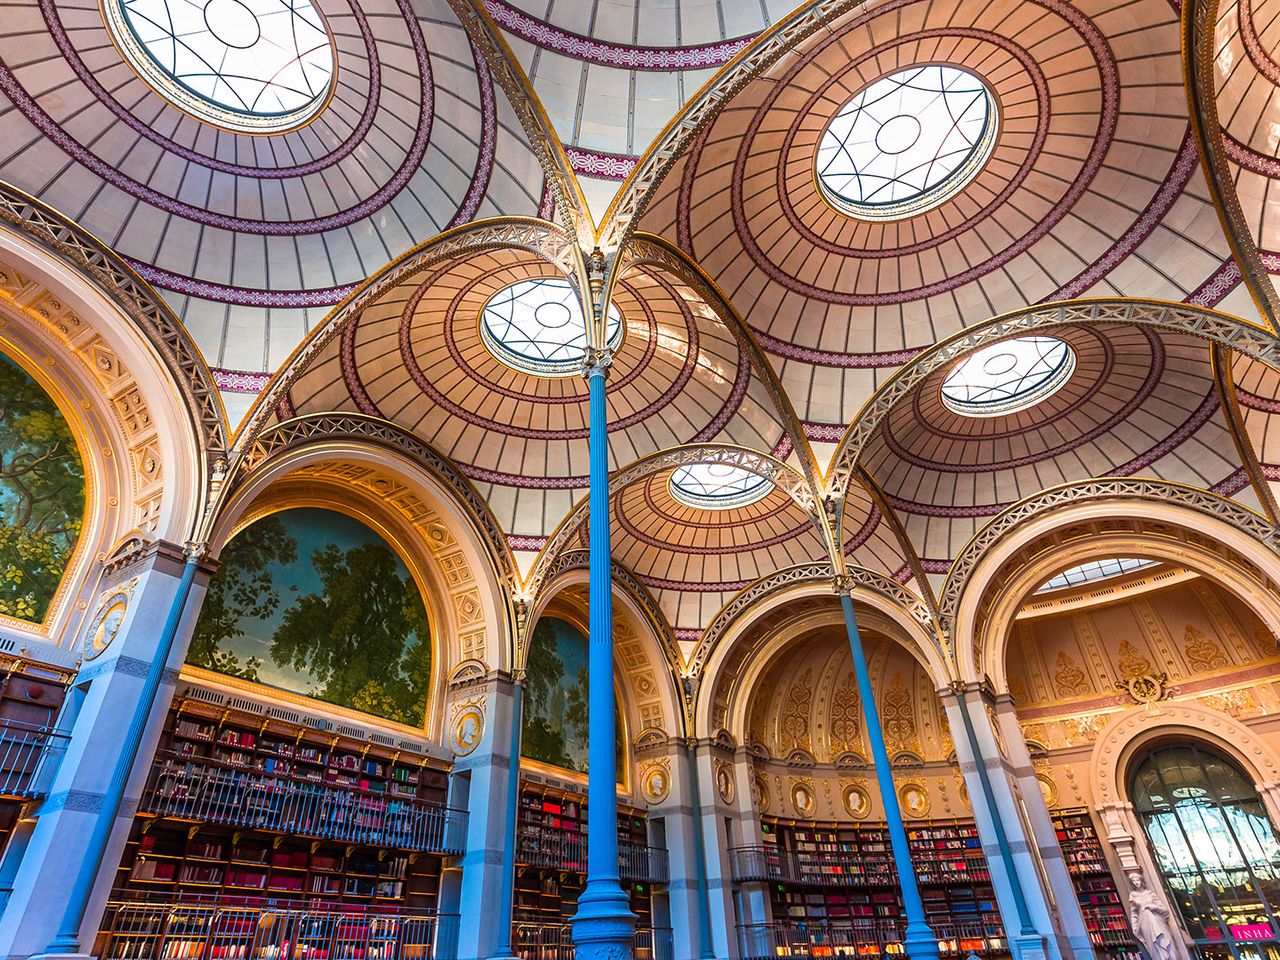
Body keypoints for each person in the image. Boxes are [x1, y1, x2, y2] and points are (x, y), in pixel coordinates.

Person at [1128, 871, 1178, 960]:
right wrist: (1135, 929)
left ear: (1141, 880)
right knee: (1154, 946)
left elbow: (1164, 910)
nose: (1136, 882)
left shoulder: (1150, 894)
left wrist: (1153, 907)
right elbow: (1134, 914)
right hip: (1145, 923)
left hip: (1157, 919)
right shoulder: (1133, 896)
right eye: (1133, 881)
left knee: (1166, 942)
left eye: (1137, 880)